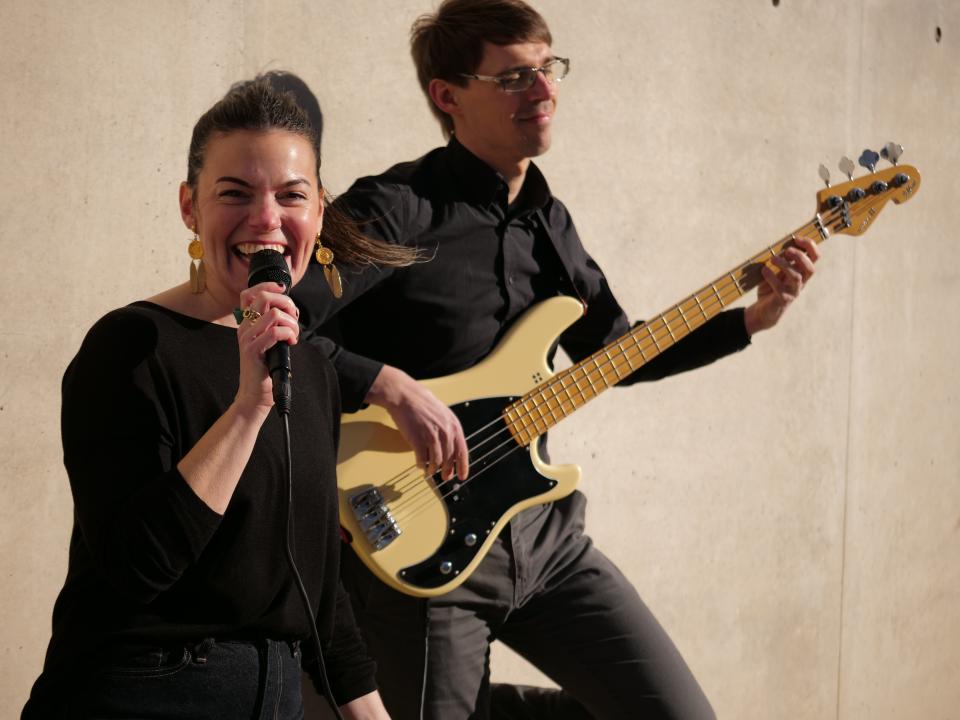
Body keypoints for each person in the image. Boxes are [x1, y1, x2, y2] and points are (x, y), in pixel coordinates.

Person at [292, 1, 820, 718]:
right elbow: (275, 329)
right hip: (422, 553)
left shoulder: (550, 222)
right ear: (448, 96)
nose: (543, 91)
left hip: (544, 538)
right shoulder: (394, 209)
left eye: (548, 69)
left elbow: (616, 353)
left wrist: (752, 319)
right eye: (514, 77)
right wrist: (387, 385)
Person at [22, 79, 409, 720]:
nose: (267, 219)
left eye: (292, 195)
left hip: (274, 697)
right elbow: (138, 567)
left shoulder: (310, 369)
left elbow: (318, 586)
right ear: (189, 207)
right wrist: (248, 407)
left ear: (318, 213)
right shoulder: (130, 347)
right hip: (142, 693)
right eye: (235, 193)